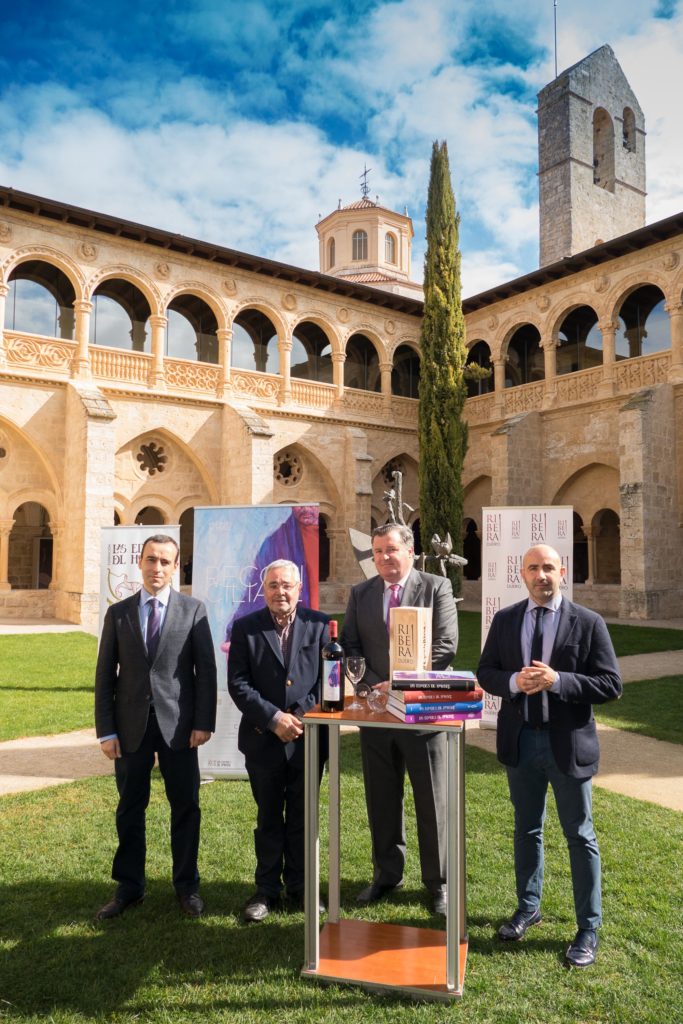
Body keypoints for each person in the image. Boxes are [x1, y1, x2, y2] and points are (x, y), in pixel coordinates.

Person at [477, 544, 622, 968]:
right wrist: (513, 683)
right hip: (521, 742)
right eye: (533, 568)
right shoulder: (506, 620)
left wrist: (558, 681)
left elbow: (611, 684)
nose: (541, 575)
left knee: (579, 835)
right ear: (522, 574)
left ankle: (588, 927)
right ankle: (528, 907)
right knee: (526, 829)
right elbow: (486, 672)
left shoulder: (588, 622)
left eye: (548, 568)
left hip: (567, 745)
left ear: (563, 571)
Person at [94, 534, 217, 921]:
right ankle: (129, 887)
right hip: (129, 728)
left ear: (176, 566)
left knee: (186, 807)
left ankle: (187, 886)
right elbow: (105, 675)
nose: (157, 567)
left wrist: (203, 723)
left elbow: (206, 672)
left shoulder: (193, 610)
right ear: (140, 562)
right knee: (130, 808)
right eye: (151, 559)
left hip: (179, 728)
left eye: (165, 561)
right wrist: (106, 731)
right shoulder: (119, 613)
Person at [341, 523, 458, 915]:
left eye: (391, 550)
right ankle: (387, 874)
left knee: (432, 800)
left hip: (422, 712)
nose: (384, 558)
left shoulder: (436, 587)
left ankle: (438, 883)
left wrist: (401, 681)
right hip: (376, 712)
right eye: (377, 551)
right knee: (381, 798)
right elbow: (351, 645)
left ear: (410, 551)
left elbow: (445, 645)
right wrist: (374, 684)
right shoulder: (361, 593)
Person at [227, 559, 329, 922]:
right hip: (262, 740)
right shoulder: (246, 628)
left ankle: (301, 888)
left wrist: (296, 716)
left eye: (287, 585)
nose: (280, 592)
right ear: (263, 589)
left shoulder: (320, 625)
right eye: (273, 585)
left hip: (307, 739)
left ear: (299, 589)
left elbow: (328, 681)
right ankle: (266, 890)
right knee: (268, 817)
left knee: (302, 817)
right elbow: (238, 683)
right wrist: (274, 719)